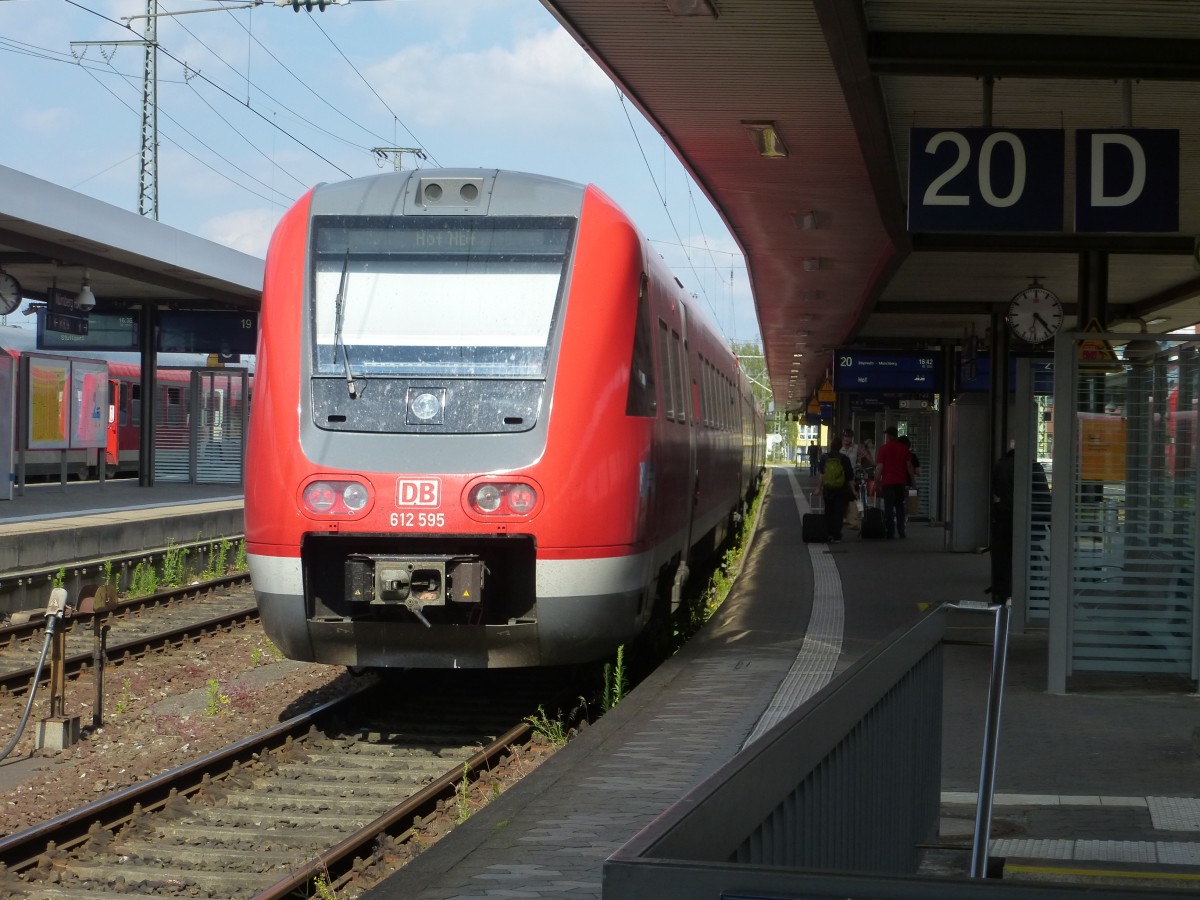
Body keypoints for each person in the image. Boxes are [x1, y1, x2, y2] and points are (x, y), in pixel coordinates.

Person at [874, 426, 915, 539]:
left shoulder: (883, 449)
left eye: (886, 435)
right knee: (899, 506)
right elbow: (909, 466)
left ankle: (890, 531)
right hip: (900, 482)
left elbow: (879, 467)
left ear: (889, 436)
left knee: (889, 507)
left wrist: (877, 482)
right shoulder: (904, 449)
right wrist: (913, 481)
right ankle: (901, 530)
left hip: (888, 482)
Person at [815, 437, 855, 544]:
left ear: (830, 446)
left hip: (828, 489)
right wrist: (854, 490)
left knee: (828, 511)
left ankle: (828, 534)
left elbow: (822, 475)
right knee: (838, 512)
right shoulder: (844, 459)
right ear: (840, 446)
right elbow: (850, 476)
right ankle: (837, 536)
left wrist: (818, 488)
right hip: (841, 489)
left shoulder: (824, 458)